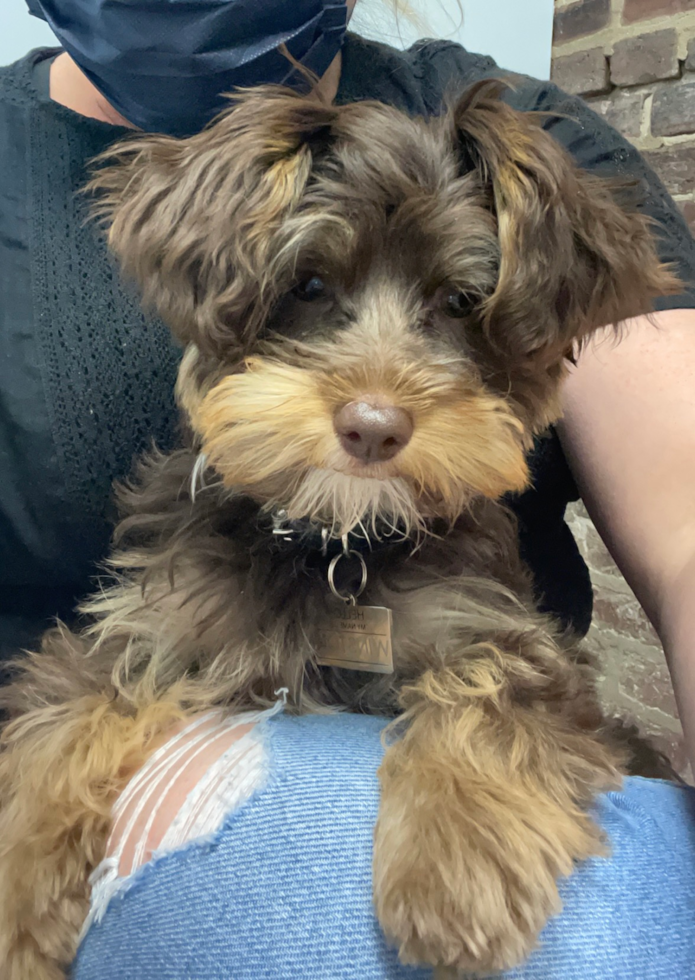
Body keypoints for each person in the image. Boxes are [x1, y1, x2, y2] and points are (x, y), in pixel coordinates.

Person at [1, 1, 694, 977]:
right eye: (312, 292)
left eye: (455, 307)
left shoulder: (533, 150)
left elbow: (685, 528)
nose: (375, 405)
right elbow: (116, 672)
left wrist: (478, 750)